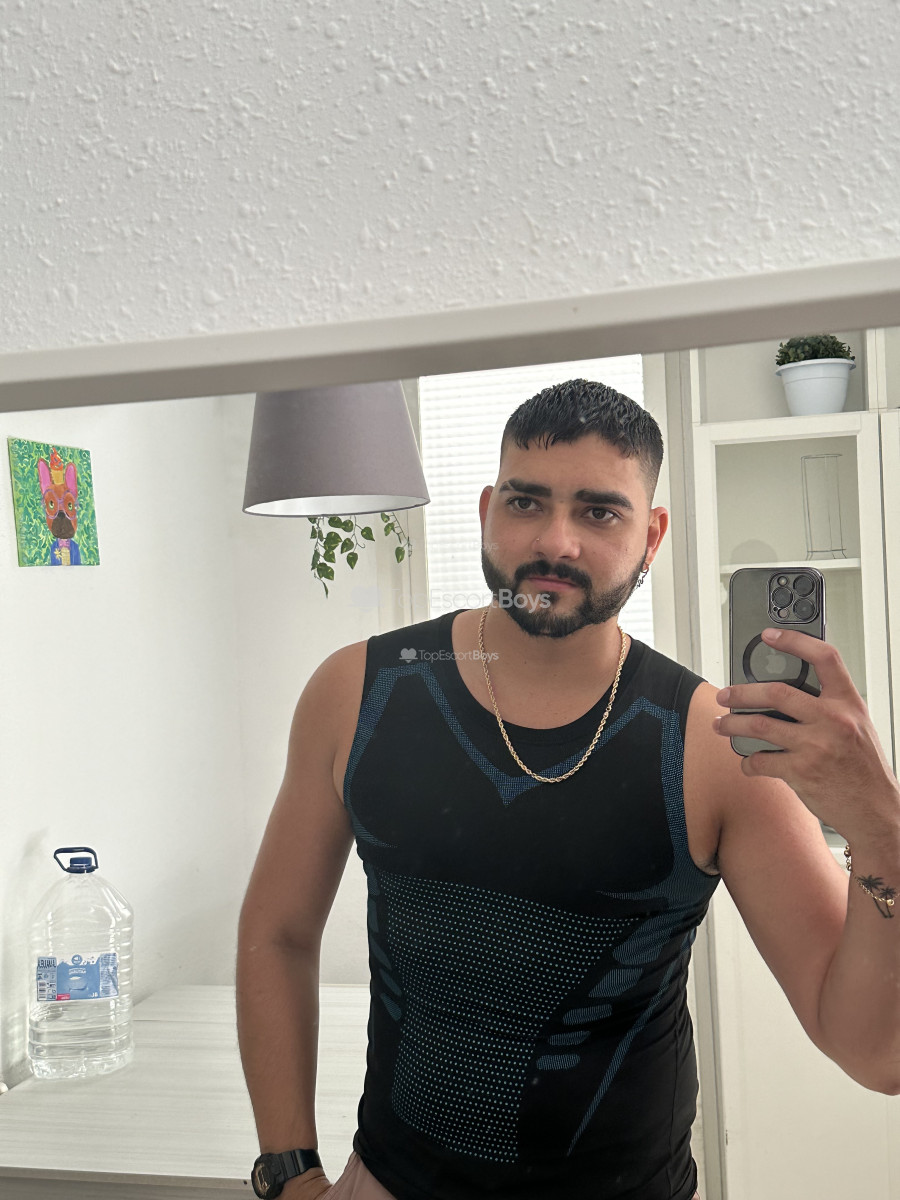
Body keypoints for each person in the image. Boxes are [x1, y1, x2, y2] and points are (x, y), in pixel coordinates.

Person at [236, 379, 900, 1200]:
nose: (556, 541)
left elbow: (875, 1053)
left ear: (651, 537)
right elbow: (277, 932)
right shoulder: (359, 692)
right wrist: (290, 1173)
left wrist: (880, 824)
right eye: (526, 502)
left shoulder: (713, 745)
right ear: (488, 512)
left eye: (599, 512)